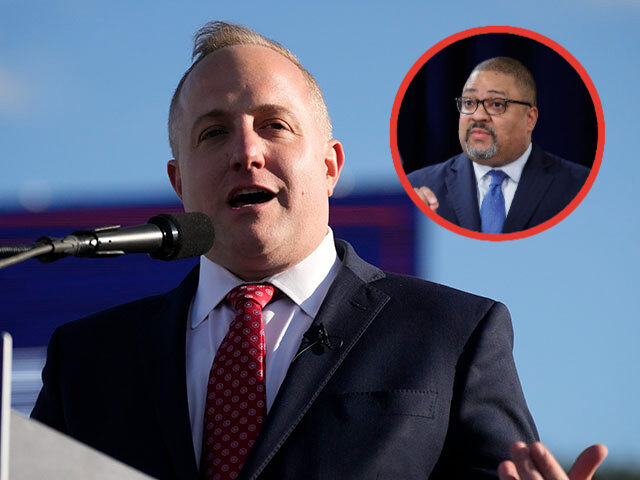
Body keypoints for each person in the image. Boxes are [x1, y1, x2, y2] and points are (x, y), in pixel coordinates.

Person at [30, 22, 590, 480]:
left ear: (329, 166)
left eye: (274, 126)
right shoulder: (87, 361)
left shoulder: (454, 333)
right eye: (214, 133)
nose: (246, 152)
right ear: (178, 181)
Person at [407, 57, 590, 234]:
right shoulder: (417, 188)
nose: (478, 116)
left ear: (530, 119)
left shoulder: (579, 188)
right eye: (469, 103)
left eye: (496, 105)